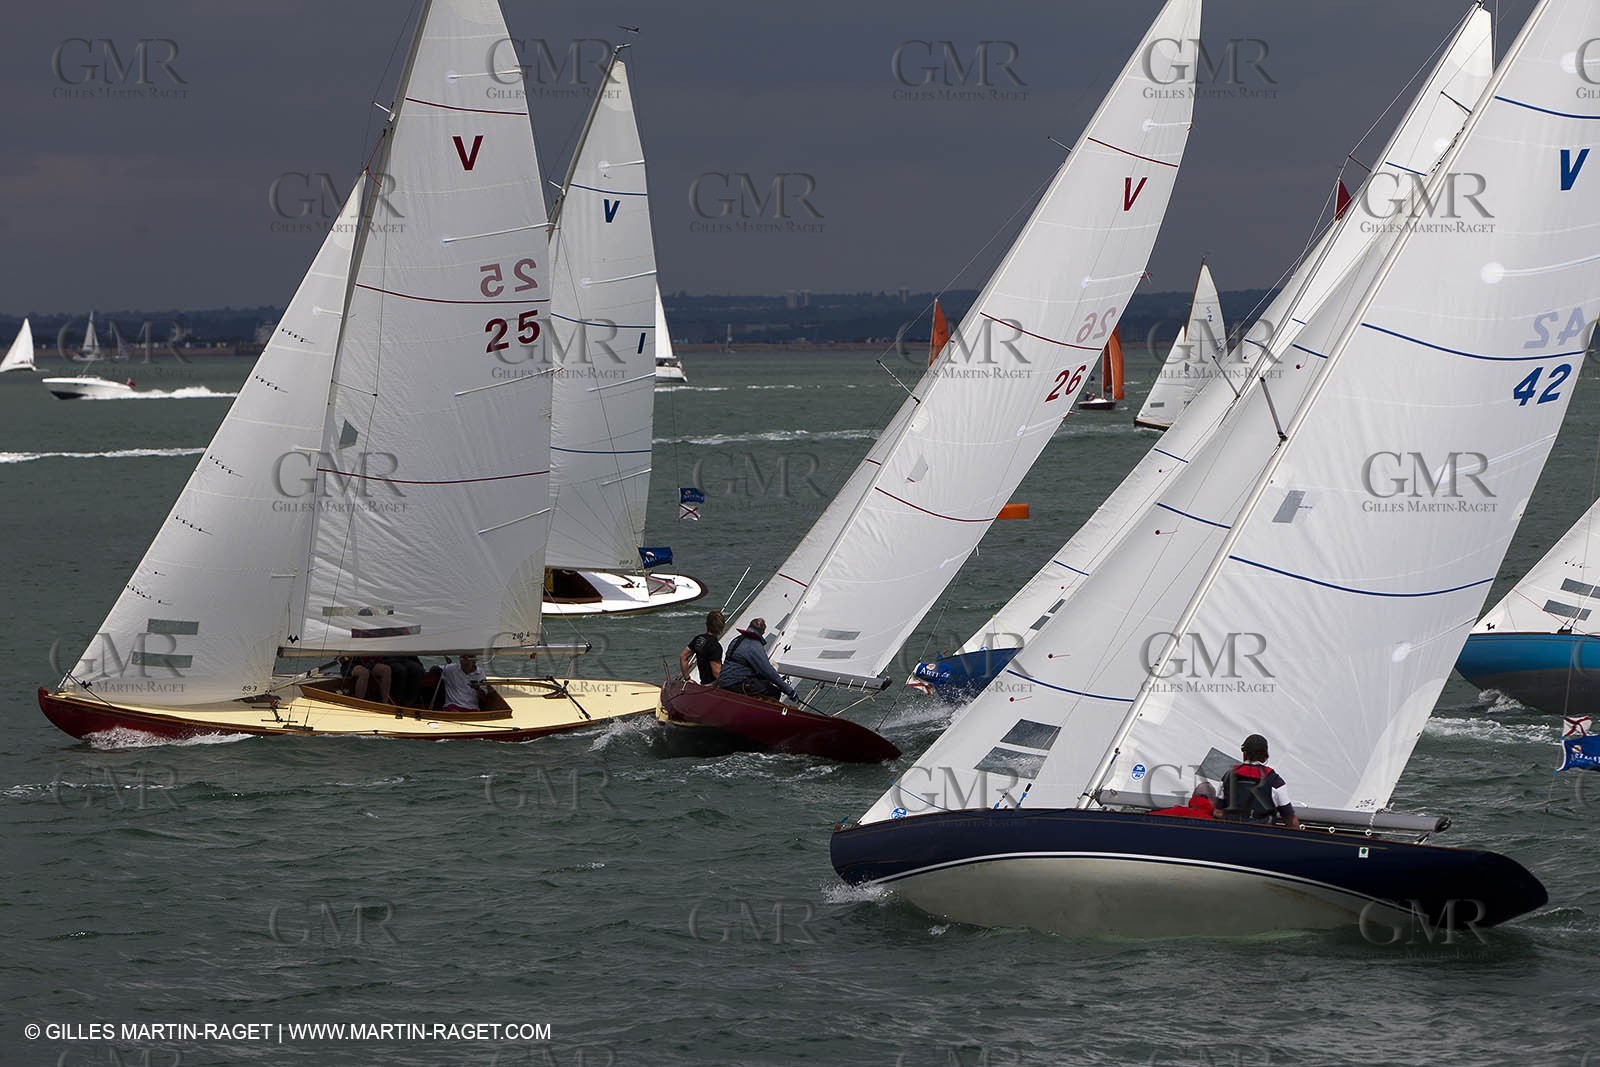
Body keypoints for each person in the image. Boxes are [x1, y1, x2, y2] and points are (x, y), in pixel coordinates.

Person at [1214, 733, 1301, 829]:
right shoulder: (1275, 781)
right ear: (1265, 756)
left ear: (1245, 753)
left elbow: (1218, 812)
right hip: (1262, 836)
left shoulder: (1228, 776)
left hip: (1232, 833)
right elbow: (1290, 820)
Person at [716, 618, 798, 703]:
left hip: (723, 682)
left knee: (761, 683)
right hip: (736, 684)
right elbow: (769, 672)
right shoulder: (755, 646)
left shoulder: (736, 640)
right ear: (762, 632)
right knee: (774, 692)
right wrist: (789, 690)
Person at [679, 609, 727, 684]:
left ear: (707, 624)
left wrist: (687, 678)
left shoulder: (699, 639)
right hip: (711, 687)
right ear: (722, 626)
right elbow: (716, 673)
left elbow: (683, 656)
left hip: (703, 682)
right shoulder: (715, 646)